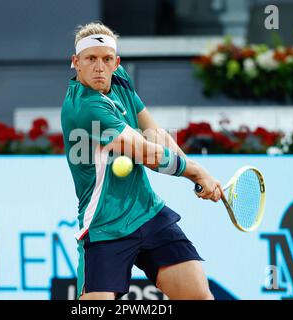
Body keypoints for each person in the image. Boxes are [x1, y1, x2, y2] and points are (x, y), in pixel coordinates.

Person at [61, 22, 223, 300]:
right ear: (76, 63)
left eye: (106, 59)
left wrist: (193, 171)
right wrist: (196, 172)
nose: (99, 66)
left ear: (116, 63)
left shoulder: (119, 78)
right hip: (104, 226)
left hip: (147, 212)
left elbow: (153, 131)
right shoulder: (84, 108)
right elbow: (147, 154)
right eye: (90, 59)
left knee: (199, 297)